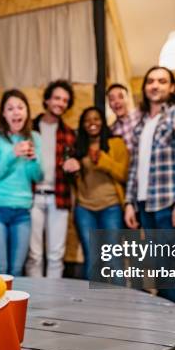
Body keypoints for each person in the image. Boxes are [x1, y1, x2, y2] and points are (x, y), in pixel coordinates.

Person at [123, 66, 175, 310]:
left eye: (162, 81)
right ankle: (167, 332)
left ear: (172, 87)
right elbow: (135, 166)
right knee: (158, 270)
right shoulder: (142, 123)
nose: (155, 85)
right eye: (151, 81)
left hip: (168, 204)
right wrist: (129, 203)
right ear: (144, 88)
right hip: (145, 205)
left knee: (171, 273)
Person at [0, 89, 43, 275]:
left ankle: (12, 305)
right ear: (3, 113)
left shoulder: (34, 137)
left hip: (22, 213)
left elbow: (38, 177)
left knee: (16, 271)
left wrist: (34, 160)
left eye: (20, 107)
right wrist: (12, 154)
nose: (16, 112)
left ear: (26, 112)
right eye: (10, 108)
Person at [25, 79, 79, 278]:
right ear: (47, 100)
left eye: (65, 100)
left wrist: (75, 167)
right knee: (34, 255)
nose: (60, 103)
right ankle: (35, 302)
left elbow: (75, 170)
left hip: (59, 197)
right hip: (32, 197)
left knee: (57, 255)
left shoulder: (70, 134)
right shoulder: (29, 128)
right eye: (57, 98)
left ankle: (53, 303)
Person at [72, 107, 129, 279]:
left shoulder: (116, 143)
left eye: (96, 119)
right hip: (84, 208)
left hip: (111, 206)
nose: (92, 123)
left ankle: (119, 301)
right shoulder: (78, 147)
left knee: (114, 257)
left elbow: (124, 174)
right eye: (87, 120)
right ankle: (93, 305)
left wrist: (102, 160)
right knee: (92, 257)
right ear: (82, 125)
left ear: (103, 122)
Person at [106, 83, 141, 153]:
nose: (116, 102)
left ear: (128, 99)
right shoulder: (111, 131)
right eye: (112, 99)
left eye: (121, 97)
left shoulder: (141, 115)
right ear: (109, 105)